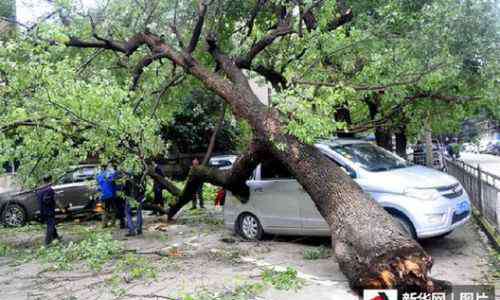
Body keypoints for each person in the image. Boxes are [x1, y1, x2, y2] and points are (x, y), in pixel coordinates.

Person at [36, 175, 60, 245]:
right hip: (49, 211)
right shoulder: (49, 190)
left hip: (42, 210)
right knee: (51, 225)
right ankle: (48, 242)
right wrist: (53, 202)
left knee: (51, 224)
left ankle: (56, 237)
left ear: (43, 181)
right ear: (50, 180)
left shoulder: (40, 189)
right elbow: (46, 200)